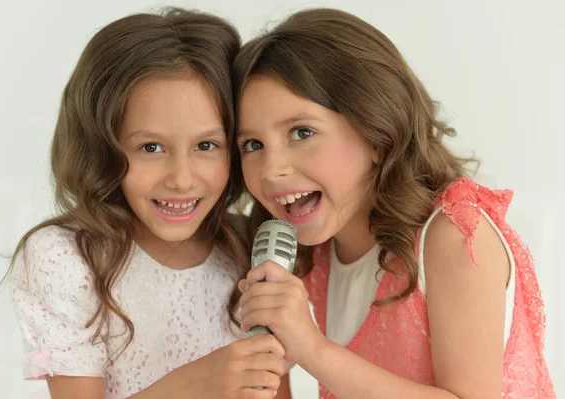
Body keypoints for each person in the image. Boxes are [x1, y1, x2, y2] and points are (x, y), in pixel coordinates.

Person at [233, 8, 555, 398]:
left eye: (302, 132)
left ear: (377, 132)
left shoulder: (453, 236)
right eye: (252, 145)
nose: (271, 170)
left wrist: (313, 349)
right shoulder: (315, 254)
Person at [9, 8, 286, 399]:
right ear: (102, 148)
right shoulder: (67, 260)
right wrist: (196, 384)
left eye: (206, 145)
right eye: (151, 147)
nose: (181, 179)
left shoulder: (250, 248)